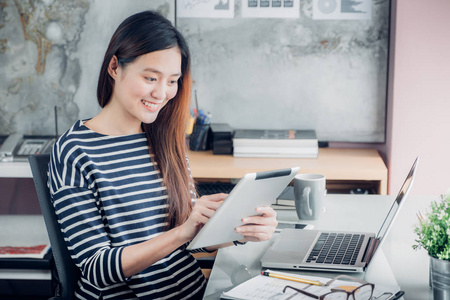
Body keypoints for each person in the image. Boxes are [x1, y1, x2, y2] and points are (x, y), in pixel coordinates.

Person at [48, 10, 278, 299]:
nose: (162, 93)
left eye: (172, 81)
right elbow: (97, 268)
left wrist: (242, 231)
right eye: (150, 78)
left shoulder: (164, 138)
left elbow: (194, 235)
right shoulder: (74, 150)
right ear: (115, 67)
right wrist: (183, 231)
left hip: (192, 292)